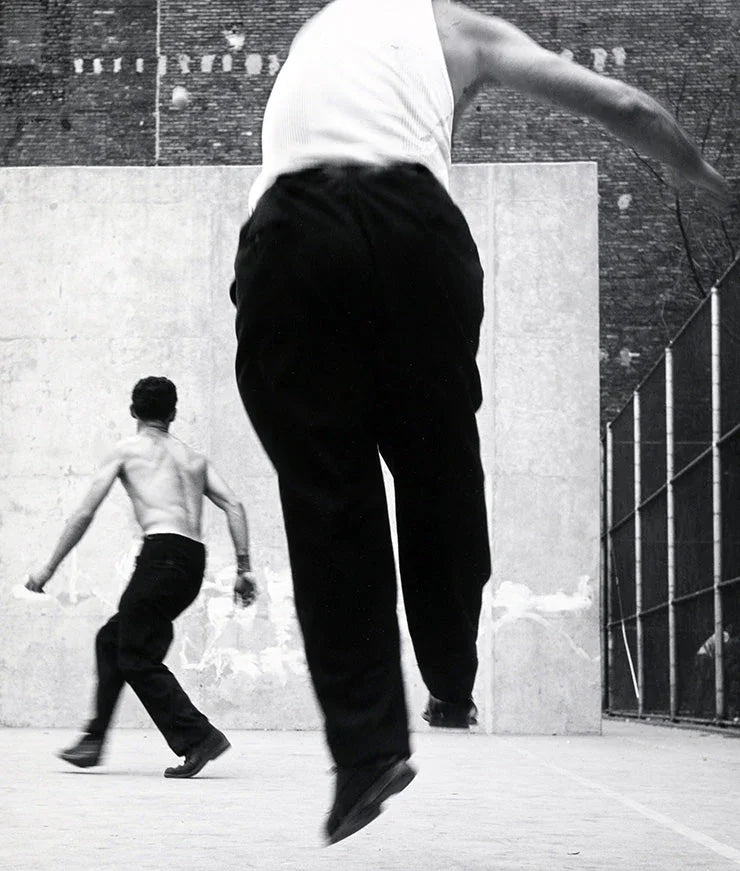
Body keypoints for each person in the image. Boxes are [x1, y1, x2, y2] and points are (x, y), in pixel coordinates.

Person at [230, 0, 735, 844]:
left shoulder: (313, 36)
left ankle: (364, 753)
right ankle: (451, 676)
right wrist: (697, 171)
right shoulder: (462, 31)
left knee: (329, 503)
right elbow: (630, 107)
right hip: (411, 233)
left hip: (282, 248)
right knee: (439, 471)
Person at [26, 376, 257, 778]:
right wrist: (243, 569)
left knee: (135, 655)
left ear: (133, 411)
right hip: (191, 561)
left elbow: (84, 513)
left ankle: (198, 737)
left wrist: (49, 567)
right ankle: (94, 739)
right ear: (173, 413)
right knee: (113, 639)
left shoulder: (127, 451)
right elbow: (234, 505)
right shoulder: (194, 459)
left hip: (160, 555)